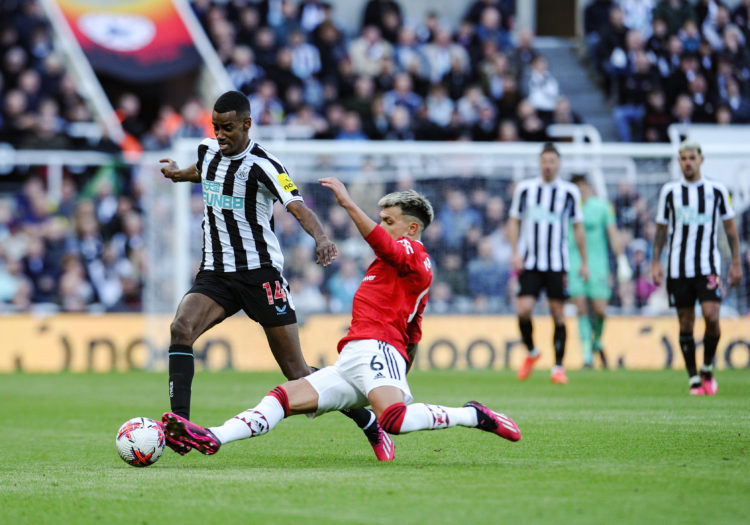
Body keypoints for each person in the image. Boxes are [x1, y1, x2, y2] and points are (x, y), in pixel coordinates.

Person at [161, 179, 521, 458]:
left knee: (394, 420)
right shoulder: (393, 269)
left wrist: (348, 204)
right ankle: (213, 435)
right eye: (380, 219)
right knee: (281, 398)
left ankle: (473, 415)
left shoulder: (415, 253)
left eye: (388, 221)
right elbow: (413, 335)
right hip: (353, 359)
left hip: (378, 350)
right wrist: (397, 375)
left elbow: (385, 247)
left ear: (411, 228)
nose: (382, 227)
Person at [158, 91, 392, 460]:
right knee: (180, 328)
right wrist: (176, 174)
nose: (220, 135)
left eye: (228, 128)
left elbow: (296, 205)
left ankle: (366, 419)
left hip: (260, 275)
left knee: (297, 372)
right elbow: (200, 171)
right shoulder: (207, 153)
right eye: (215, 127)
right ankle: (179, 426)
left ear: (247, 124)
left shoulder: (264, 165)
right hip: (216, 273)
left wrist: (322, 238)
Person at [651, 140, 742, 395]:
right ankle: (693, 379)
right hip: (678, 268)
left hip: (708, 266)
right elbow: (661, 229)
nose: (687, 162)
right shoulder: (669, 192)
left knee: (712, 316)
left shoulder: (717, 190)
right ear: (679, 162)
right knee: (685, 323)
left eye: (691, 157)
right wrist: (656, 261)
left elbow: (730, 227)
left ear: (701, 159)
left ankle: (708, 367)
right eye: (682, 158)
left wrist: (735, 262)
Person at [507, 143, 588, 384]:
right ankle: (532, 352)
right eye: (544, 161)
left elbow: (578, 226)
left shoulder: (570, 192)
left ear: (558, 164)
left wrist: (584, 262)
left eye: (552, 161)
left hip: (557, 263)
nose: (548, 165)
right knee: (523, 310)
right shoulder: (525, 189)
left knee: (558, 313)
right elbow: (514, 221)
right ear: (539, 163)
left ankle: (558, 367)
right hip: (530, 261)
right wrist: (515, 252)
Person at [567, 174, 631, 369]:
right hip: (574, 263)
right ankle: (587, 354)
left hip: (598, 264)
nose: (580, 191)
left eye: (583, 187)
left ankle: (597, 341)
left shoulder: (602, 207)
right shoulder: (567, 208)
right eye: (576, 188)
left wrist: (622, 260)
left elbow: (612, 234)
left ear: (589, 187)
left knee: (600, 309)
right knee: (581, 308)